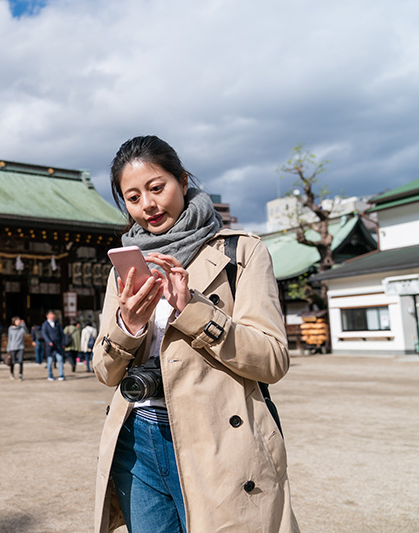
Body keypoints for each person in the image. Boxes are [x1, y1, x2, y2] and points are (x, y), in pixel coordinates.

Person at [93, 135, 298, 533]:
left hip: (218, 439)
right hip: (137, 439)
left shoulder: (242, 252)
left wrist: (193, 312)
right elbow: (105, 372)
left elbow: (273, 360)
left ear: (183, 181)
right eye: (132, 197)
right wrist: (129, 327)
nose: (147, 205)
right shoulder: (125, 269)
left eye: (157, 188)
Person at [41, 310, 65, 381]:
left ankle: (61, 374)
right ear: (47, 316)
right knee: (50, 361)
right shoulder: (45, 324)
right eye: (51, 314)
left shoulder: (57, 323)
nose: (52, 316)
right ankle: (50, 375)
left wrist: (63, 343)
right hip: (50, 346)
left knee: (60, 359)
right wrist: (49, 341)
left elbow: (62, 334)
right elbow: (44, 334)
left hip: (58, 345)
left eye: (53, 314)